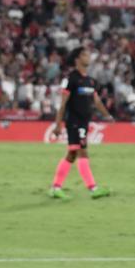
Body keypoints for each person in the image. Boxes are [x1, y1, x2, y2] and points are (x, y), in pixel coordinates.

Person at [48, 47, 112, 200]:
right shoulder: (71, 79)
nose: (88, 57)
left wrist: (107, 115)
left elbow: (96, 100)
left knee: (72, 154)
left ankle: (56, 187)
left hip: (84, 122)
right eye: (85, 55)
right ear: (77, 59)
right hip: (74, 122)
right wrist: (58, 124)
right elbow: (62, 104)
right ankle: (93, 188)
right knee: (82, 152)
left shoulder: (90, 81)